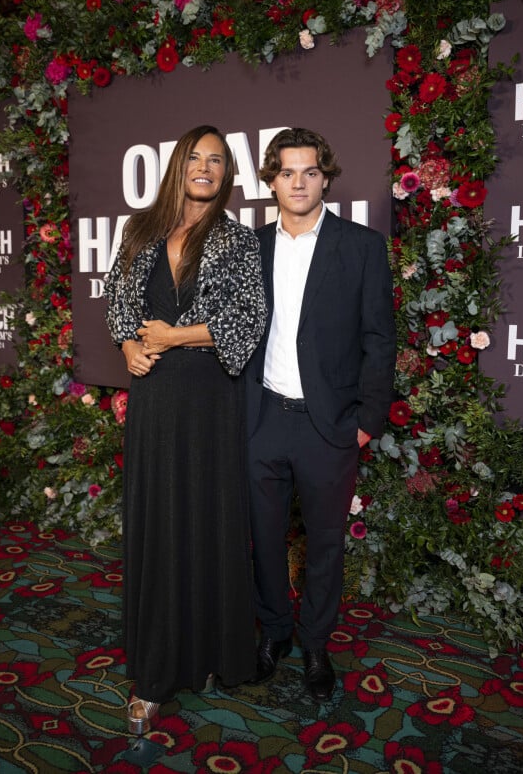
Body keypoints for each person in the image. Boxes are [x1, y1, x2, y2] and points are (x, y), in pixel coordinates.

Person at [104, 125, 266, 733]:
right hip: (153, 400)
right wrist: (126, 346)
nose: (205, 168)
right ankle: (156, 668)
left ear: (227, 175)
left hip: (207, 401)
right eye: (195, 158)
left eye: (216, 161)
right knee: (159, 521)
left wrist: (174, 336)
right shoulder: (139, 229)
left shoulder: (237, 240)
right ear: (178, 166)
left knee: (204, 518)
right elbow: (117, 302)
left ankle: (208, 653)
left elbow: (249, 319)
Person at [246, 127, 396, 702]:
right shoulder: (250, 248)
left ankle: (314, 642)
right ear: (272, 180)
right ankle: (275, 633)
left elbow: (379, 340)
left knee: (326, 542)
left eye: (310, 171)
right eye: (287, 172)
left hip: (328, 424)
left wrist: (366, 420)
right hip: (261, 421)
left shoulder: (360, 247)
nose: (299, 182)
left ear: (325, 176)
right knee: (262, 536)